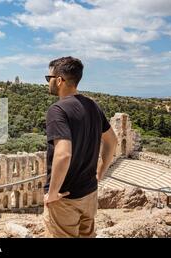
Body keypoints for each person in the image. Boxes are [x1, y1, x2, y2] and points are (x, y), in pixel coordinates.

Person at [43, 56, 118, 238]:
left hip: (65, 198)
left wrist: (52, 193)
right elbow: (112, 141)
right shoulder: (92, 106)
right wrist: (100, 173)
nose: (48, 83)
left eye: (48, 78)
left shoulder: (57, 110)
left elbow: (63, 154)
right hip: (89, 193)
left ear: (59, 80)